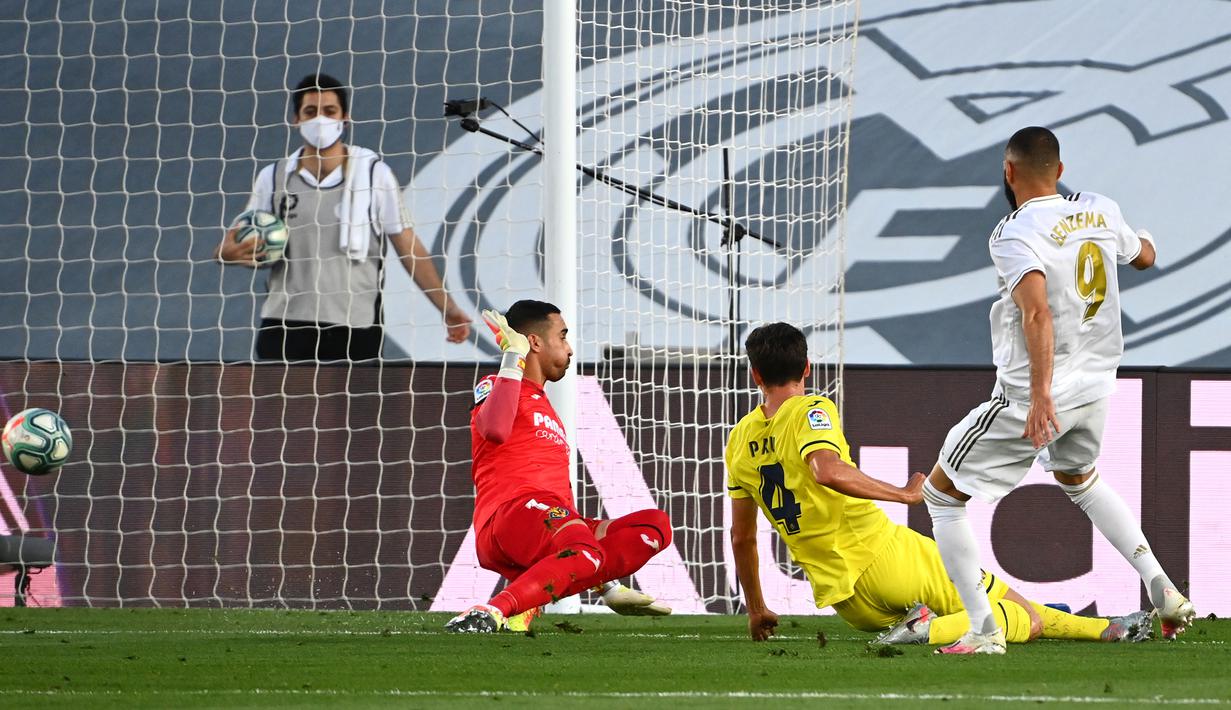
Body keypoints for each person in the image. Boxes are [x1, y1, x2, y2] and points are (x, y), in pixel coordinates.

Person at [923, 126, 1193, 655]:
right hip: (1097, 381)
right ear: (1061, 171)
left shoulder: (1012, 232)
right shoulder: (1100, 207)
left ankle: (983, 630)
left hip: (1034, 393)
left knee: (940, 495)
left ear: (1008, 171)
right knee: (1080, 479)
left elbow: (1037, 311)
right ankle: (1162, 587)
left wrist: (1041, 396)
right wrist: (1148, 240)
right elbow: (1143, 257)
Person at [725, 322, 1153, 647]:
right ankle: (929, 626)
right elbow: (826, 469)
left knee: (1009, 608)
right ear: (806, 368)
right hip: (887, 557)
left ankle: (1110, 629)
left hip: (848, 602)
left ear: (754, 376)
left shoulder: (739, 440)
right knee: (1023, 618)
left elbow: (742, 537)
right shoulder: (811, 408)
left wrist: (758, 608)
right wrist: (906, 494)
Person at [446, 300, 672, 633]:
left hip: (546, 518)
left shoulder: (543, 406)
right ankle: (492, 611)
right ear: (534, 342)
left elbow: (561, 503)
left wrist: (604, 584)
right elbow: (493, 429)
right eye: (562, 336)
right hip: (510, 516)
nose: (569, 348)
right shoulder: (499, 385)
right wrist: (513, 357)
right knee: (582, 547)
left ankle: (543, 596)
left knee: (656, 525)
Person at [216, 72, 471, 361]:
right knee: (279, 408)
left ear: (344, 117)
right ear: (296, 119)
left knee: (350, 408)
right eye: (310, 112)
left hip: (355, 326)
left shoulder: (374, 174)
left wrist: (447, 309)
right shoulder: (273, 178)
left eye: (329, 111)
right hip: (284, 324)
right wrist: (228, 253)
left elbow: (409, 249)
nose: (320, 120)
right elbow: (235, 243)